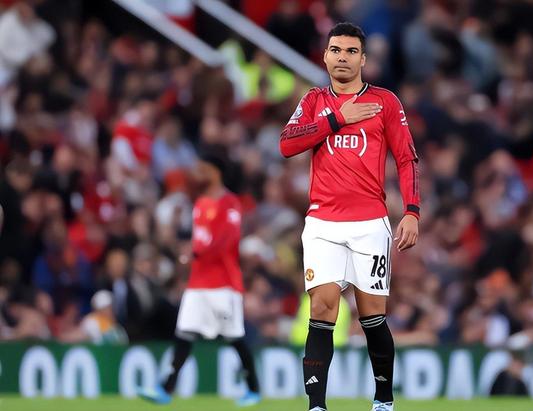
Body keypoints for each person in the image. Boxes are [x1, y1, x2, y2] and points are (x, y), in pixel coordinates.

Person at [279, 22, 420, 411]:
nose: (343, 57)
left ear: (363, 59)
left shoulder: (385, 102)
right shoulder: (313, 100)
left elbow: (406, 157)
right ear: (325, 57)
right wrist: (338, 118)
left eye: (351, 51)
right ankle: (317, 406)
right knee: (322, 308)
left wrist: (412, 211)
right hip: (322, 223)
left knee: (371, 316)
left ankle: (383, 400)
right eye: (336, 50)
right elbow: (287, 144)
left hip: (369, 223)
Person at [138, 153, 260, 406]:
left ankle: (253, 389)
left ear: (215, 172)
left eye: (202, 169)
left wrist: (194, 252)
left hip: (223, 284)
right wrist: (187, 251)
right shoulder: (201, 203)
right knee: (184, 333)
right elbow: (199, 240)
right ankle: (165, 388)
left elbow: (227, 241)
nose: (197, 174)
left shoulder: (229, 203)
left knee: (233, 336)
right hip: (198, 282)